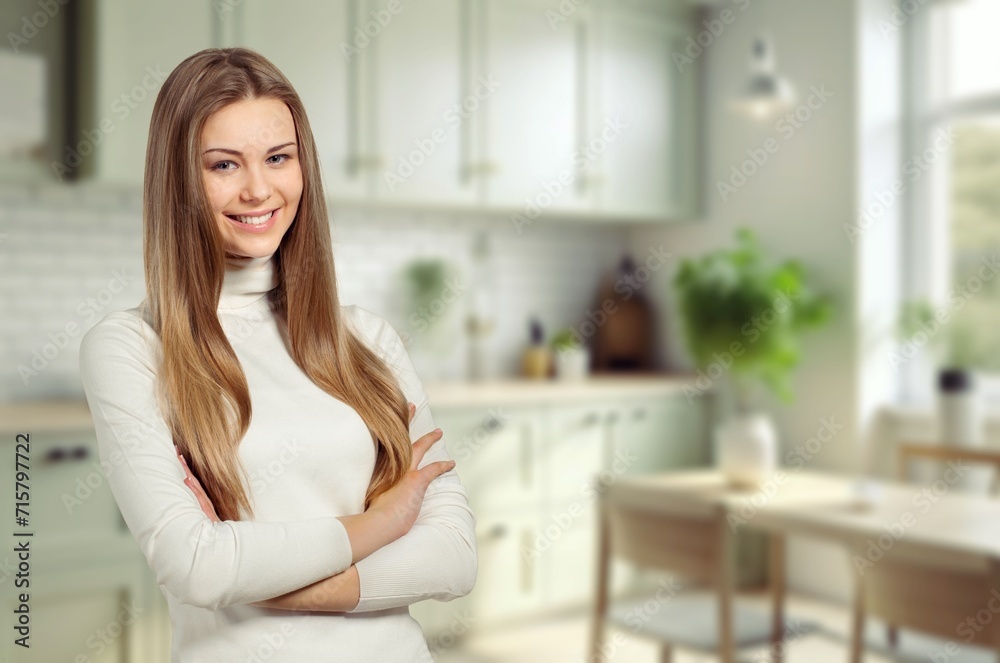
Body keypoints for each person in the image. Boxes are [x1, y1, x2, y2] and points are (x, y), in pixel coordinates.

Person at [78, 47, 477, 662]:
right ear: (178, 179)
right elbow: (196, 568)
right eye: (223, 165)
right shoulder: (130, 348)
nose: (258, 189)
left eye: (278, 158)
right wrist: (380, 526)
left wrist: (263, 575)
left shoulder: (367, 340)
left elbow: (454, 558)